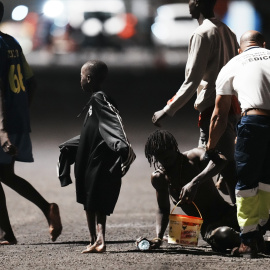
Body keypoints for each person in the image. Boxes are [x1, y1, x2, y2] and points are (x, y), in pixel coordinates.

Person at [152, 0, 240, 203]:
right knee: (219, 165)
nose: (188, 6)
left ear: (198, 5)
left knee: (218, 163)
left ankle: (242, 224)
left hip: (214, 106)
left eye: (191, 2)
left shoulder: (202, 33)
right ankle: (231, 218)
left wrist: (168, 109)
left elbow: (192, 79)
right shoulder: (228, 31)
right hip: (231, 104)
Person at [0, 1, 62, 245]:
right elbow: (31, 82)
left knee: (4, 174)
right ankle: (44, 210)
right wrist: (22, 112)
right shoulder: (12, 43)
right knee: (5, 174)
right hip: (16, 118)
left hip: (2, 123)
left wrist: (3, 131)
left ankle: (8, 233)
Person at [206, 30, 270, 257]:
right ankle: (261, 229)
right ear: (263, 44)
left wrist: (211, 147)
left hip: (253, 123)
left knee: (246, 184)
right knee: (266, 180)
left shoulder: (233, 64)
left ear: (239, 49)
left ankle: (248, 241)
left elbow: (218, 115)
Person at [73, 60, 135, 253]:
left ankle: (100, 240)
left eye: (81, 76)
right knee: (88, 198)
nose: (80, 80)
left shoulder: (100, 98)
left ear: (89, 78)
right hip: (89, 156)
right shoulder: (94, 99)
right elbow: (93, 129)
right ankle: (93, 240)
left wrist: (123, 146)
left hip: (100, 157)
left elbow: (113, 122)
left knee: (96, 199)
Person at [144, 130, 240, 253]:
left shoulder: (193, 157)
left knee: (262, 218)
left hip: (228, 212)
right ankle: (257, 243)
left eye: (167, 157)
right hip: (210, 227)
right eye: (160, 160)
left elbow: (221, 159)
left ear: (174, 148)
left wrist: (195, 182)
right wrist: (158, 237)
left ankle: (252, 238)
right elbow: (163, 209)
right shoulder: (160, 177)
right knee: (224, 236)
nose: (165, 163)